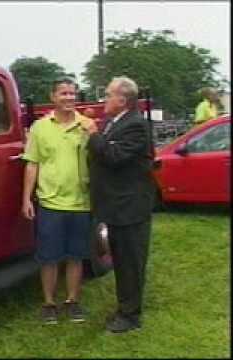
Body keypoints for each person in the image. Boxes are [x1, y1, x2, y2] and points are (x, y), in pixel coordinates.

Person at [80, 76, 155, 333]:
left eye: (109, 95)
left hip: (130, 207)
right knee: (121, 260)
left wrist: (93, 136)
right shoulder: (112, 122)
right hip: (115, 206)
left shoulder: (135, 125)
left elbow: (113, 156)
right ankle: (125, 306)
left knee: (131, 262)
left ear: (122, 100)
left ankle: (131, 316)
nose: (104, 99)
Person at [22, 78, 92, 324]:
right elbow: (32, 164)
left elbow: (101, 157)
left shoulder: (87, 125)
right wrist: (26, 199)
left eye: (72, 94)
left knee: (76, 255)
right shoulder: (40, 128)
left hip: (81, 202)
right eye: (63, 93)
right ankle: (49, 303)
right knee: (49, 257)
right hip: (50, 203)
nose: (69, 98)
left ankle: (72, 301)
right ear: (53, 97)